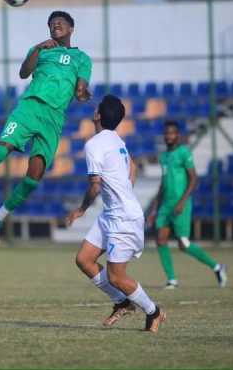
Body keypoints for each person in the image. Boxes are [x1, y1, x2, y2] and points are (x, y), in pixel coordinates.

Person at [0, 11, 92, 243]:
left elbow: (82, 86)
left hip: (54, 118)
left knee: (34, 176)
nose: (55, 25)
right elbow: (23, 73)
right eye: (51, 23)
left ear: (71, 29)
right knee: (2, 148)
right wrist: (38, 48)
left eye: (60, 22)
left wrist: (82, 92)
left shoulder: (82, 58)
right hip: (29, 108)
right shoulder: (40, 50)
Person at [66, 95, 166, 333]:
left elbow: (95, 186)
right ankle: (122, 302)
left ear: (98, 115)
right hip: (112, 214)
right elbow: (132, 165)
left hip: (123, 218)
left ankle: (154, 312)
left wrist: (80, 210)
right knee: (84, 259)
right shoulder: (117, 140)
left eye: (97, 108)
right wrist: (126, 189)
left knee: (116, 277)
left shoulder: (94, 144)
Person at [147, 120, 227, 289]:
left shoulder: (184, 152)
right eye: (166, 133)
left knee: (183, 244)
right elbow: (163, 183)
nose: (169, 136)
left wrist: (182, 201)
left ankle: (217, 267)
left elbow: (194, 178)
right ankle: (172, 280)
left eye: (172, 133)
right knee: (160, 239)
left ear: (178, 135)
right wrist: (155, 207)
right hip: (166, 205)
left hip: (180, 204)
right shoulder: (164, 156)